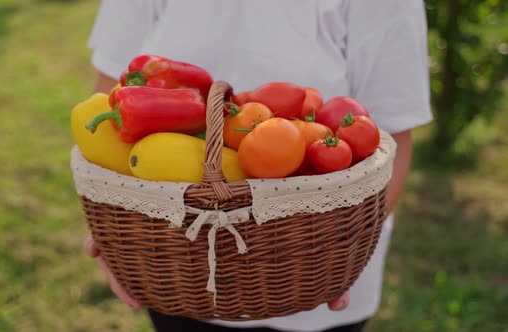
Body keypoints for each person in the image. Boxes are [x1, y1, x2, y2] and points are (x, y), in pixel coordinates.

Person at [82, 1, 433, 331]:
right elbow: (113, 93)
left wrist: (347, 250)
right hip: (176, 269)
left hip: (315, 290)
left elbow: (391, 137)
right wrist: (111, 230)